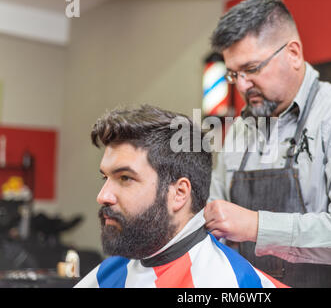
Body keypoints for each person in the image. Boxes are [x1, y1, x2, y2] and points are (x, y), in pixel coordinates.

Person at [204, 0, 331, 288]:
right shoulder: (240, 131)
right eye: (234, 74)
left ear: (294, 53)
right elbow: (215, 207)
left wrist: (255, 226)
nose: (242, 85)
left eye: (252, 69)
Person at [74, 104, 287, 288]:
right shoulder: (110, 272)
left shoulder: (232, 282)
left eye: (125, 178)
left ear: (179, 193)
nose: (103, 196)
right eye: (105, 178)